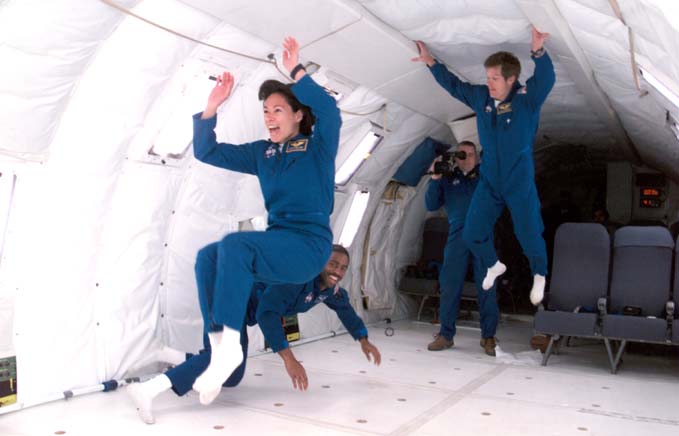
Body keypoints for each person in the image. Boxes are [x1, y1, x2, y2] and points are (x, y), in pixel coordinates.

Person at [190, 36, 341, 401]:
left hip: (308, 247)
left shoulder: (318, 147)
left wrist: (296, 72)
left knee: (235, 245)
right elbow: (206, 151)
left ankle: (227, 348)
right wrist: (211, 108)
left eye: (277, 110)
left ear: (298, 115)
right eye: (266, 112)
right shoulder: (264, 153)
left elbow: (332, 113)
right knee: (208, 258)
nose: (269, 117)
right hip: (279, 243)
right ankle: (222, 349)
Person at [127, 245, 381, 424]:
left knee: (232, 377)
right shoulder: (295, 279)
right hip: (224, 288)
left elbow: (345, 309)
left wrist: (363, 338)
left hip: (241, 308)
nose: (338, 270)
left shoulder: (330, 290)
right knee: (223, 357)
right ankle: (147, 390)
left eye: (344, 267)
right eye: (333, 263)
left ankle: (167, 353)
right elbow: (267, 315)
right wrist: (289, 359)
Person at [412, 26, 556, 306]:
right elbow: (455, 86)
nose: (488, 83)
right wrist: (431, 62)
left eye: (494, 78)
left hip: (518, 181)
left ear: (511, 79)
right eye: (487, 77)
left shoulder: (527, 99)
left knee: (528, 232)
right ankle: (493, 265)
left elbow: (546, 78)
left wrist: (538, 52)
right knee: (472, 233)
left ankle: (540, 273)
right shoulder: (481, 98)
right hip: (490, 180)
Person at [424, 141, 499, 356]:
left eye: (471, 154)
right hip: (457, 236)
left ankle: (488, 337)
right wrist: (435, 178)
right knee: (450, 285)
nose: (466, 158)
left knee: (487, 286)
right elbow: (430, 205)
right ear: (455, 158)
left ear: (477, 157)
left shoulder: (486, 175)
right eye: (462, 154)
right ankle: (446, 335)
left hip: (483, 236)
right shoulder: (448, 179)